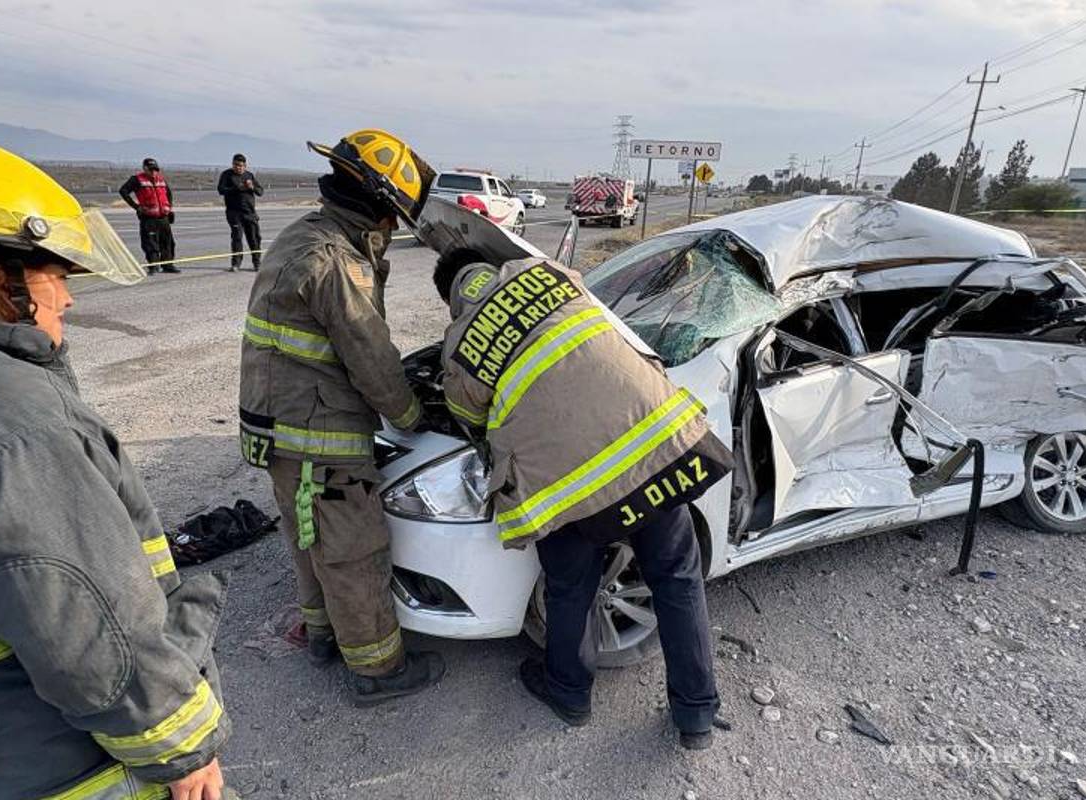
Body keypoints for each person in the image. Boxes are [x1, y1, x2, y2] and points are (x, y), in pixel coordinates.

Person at [0, 133, 231, 799]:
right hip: (51, 766)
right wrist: (183, 751)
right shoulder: (16, 432)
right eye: (55, 277)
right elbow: (91, 627)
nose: (67, 302)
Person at [429, 204, 731, 750]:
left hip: (568, 486)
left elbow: (472, 423)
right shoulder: (551, 276)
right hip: (650, 447)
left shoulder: (458, 346)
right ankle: (696, 717)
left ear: (451, 297)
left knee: (572, 588)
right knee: (677, 577)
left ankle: (569, 694)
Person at [238, 128, 445, 704]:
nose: (393, 228)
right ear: (379, 206)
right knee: (353, 548)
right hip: (318, 430)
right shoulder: (338, 262)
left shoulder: (304, 235)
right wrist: (411, 413)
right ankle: (378, 670)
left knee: (309, 534)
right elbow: (372, 358)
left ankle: (325, 635)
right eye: (394, 216)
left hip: (278, 425)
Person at [119, 157, 179, 274]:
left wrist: (169, 208)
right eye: (150, 169)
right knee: (150, 243)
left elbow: (168, 193)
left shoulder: (160, 179)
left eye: (155, 169)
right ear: (144, 168)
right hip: (149, 217)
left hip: (163, 217)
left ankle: (168, 265)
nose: (153, 172)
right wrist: (136, 207)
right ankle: (153, 266)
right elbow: (123, 191)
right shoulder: (137, 179)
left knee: (168, 242)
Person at [217, 153, 263, 272]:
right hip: (234, 213)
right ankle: (236, 263)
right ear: (232, 164)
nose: (238, 168)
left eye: (241, 165)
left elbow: (260, 191)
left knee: (254, 238)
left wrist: (252, 187)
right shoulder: (227, 175)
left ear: (245, 166)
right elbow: (221, 190)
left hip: (249, 213)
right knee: (237, 237)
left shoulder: (249, 176)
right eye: (236, 165)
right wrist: (236, 188)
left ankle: (257, 263)